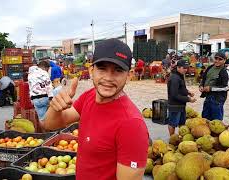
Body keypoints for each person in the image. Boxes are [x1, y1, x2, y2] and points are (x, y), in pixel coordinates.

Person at [41, 39, 149, 179]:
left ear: (129, 76)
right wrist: (56, 106)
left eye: (118, 70)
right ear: (91, 70)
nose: (108, 78)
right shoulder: (89, 96)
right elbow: (51, 124)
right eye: (102, 68)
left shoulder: (132, 125)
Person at [167, 60, 196, 136]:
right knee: (172, 123)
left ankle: (180, 137)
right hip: (175, 105)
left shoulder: (180, 75)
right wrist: (188, 99)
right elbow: (174, 94)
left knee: (181, 123)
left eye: (187, 68)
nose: (186, 70)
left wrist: (188, 92)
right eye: (184, 68)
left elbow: (182, 88)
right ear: (178, 67)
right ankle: (172, 138)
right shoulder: (174, 78)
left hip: (181, 105)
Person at [200, 52, 229, 121]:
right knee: (205, 119)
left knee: (216, 122)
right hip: (208, 97)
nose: (217, 61)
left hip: (217, 100)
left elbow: (227, 87)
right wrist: (201, 86)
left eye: (220, 59)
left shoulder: (225, 72)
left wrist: (211, 88)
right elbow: (204, 78)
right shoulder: (210, 68)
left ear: (224, 61)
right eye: (216, 58)